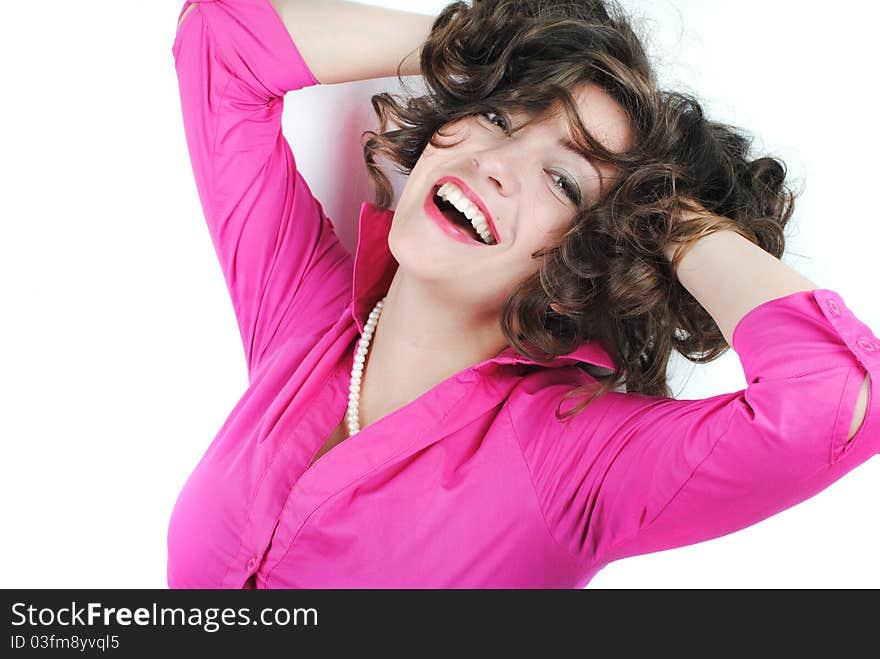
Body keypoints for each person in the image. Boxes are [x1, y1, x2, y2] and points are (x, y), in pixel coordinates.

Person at [168, 0, 878, 589]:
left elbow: (835, 397)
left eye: (563, 180)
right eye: (500, 112)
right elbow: (221, 43)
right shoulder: (302, 313)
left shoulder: (573, 464)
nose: (493, 163)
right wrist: (476, 47)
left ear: (583, 262)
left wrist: (664, 214)